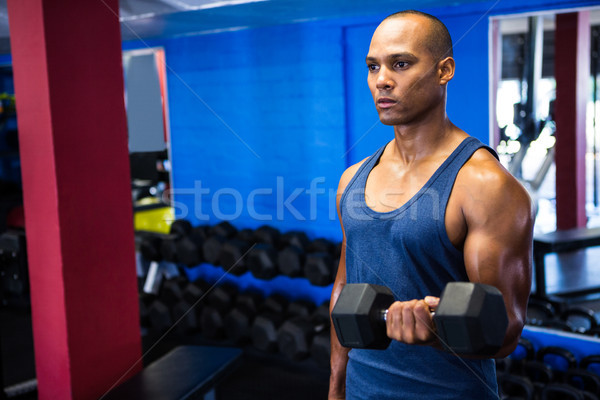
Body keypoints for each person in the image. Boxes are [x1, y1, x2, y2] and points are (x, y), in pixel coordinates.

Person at [329, 10, 533, 400]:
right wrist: (336, 387)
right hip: (363, 390)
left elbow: (506, 329)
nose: (382, 80)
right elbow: (344, 291)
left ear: (444, 70)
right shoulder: (351, 179)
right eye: (373, 67)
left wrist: (435, 333)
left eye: (401, 64)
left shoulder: (485, 185)